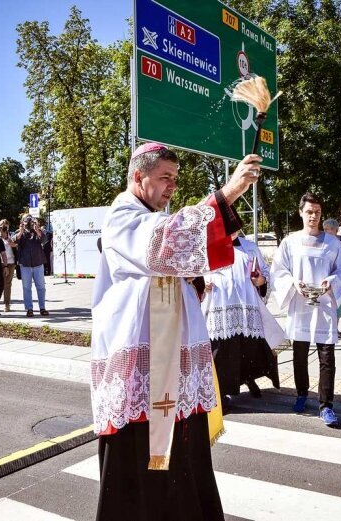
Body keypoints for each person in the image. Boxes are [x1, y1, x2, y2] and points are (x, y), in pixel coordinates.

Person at [91, 142, 261, 521]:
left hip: (172, 371)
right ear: (139, 177)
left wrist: (194, 285)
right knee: (141, 475)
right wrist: (229, 192)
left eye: (175, 179)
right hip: (144, 372)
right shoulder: (123, 215)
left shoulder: (150, 217)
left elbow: (181, 257)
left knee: (183, 467)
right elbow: (168, 241)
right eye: (165, 177)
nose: (172, 186)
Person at [270, 192, 341, 427]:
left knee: (327, 356)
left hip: (324, 306)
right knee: (299, 354)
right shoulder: (291, 241)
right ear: (300, 212)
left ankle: (326, 405)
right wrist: (293, 283)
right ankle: (301, 394)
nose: (313, 216)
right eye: (309, 212)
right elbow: (278, 270)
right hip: (300, 303)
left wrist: (332, 281)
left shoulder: (333, 243)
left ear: (321, 214)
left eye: (317, 212)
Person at [202, 230, 284, 409]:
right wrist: (203, 284)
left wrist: (261, 280)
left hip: (247, 306)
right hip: (220, 307)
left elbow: (265, 273)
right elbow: (198, 273)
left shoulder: (250, 248)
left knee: (249, 347)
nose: (231, 230)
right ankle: (221, 392)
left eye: (234, 226)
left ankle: (249, 379)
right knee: (222, 351)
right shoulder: (208, 246)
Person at [323, 218, 341, 339]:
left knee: (338, 304)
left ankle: (335, 329)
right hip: (325, 277)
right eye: (325, 229)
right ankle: (326, 329)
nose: (327, 231)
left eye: (329, 229)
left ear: (336, 230)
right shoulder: (321, 241)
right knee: (325, 305)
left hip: (339, 277)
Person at [14, 215, 48, 317]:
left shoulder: (37, 232)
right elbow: (14, 240)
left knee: (41, 287)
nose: (29, 223)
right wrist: (21, 230)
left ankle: (42, 308)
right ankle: (29, 309)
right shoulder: (20, 232)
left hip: (38, 263)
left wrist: (37, 229)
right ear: (22, 222)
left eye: (30, 220)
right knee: (26, 287)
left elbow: (44, 240)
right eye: (26, 221)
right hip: (25, 264)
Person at [0, 224, 17, 312]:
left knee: (7, 284)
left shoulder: (11, 236)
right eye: (1, 228)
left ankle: (7, 304)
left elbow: (14, 245)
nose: (2, 232)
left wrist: (8, 239)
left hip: (10, 263)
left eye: (4, 230)